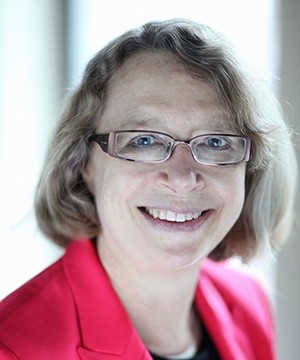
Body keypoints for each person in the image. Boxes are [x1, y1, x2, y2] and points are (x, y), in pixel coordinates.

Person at [0, 19, 297, 360]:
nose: (182, 178)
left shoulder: (248, 304)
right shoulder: (14, 348)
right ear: (83, 162)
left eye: (216, 141)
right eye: (143, 141)